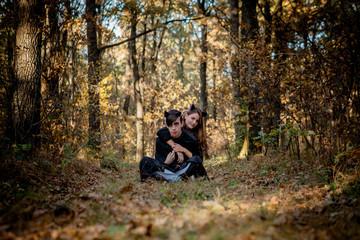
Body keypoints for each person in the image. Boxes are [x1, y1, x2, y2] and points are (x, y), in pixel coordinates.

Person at [139, 109, 208, 182]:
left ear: (182, 123)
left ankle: (174, 179)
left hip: (181, 170)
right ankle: (176, 179)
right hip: (165, 171)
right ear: (167, 126)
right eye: (170, 125)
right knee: (145, 161)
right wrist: (167, 162)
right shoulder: (161, 139)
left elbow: (198, 160)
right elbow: (159, 164)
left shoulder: (190, 139)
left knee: (196, 160)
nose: (174, 128)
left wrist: (183, 150)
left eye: (176, 124)